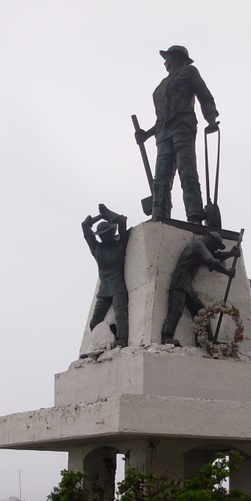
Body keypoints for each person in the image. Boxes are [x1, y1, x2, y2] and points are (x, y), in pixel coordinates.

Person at [135, 45, 219, 224]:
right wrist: (146, 134)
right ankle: (159, 216)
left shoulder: (189, 72)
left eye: (167, 57)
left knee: (186, 171)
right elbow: (160, 119)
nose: (165, 61)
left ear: (175, 58)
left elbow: (204, 96)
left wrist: (211, 119)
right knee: (161, 179)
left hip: (183, 127)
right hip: (163, 133)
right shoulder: (159, 88)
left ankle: (194, 215)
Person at [162, 232, 239, 345]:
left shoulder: (201, 248)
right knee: (177, 309)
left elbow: (215, 256)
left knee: (201, 312)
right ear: (210, 240)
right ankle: (167, 337)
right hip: (180, 281)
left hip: (187, 284)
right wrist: (227, 272)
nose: (215, 248)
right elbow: (211, 261)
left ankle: (205, 340)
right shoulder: (198, 245)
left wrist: (231, 254)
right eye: (216, 245)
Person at [82, 204, 129, 348]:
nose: (103, 237)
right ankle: (97, 344)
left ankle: (121, 340)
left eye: (105, 234)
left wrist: (107, 213)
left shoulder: (120, 243)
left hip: (117, 286)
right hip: (104, 289)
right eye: (101, 235)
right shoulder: (97, 249)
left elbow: (121, 220)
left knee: (121, 315)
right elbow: (85, 226)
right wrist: (101, 217)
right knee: (95, 321)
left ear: (110, 233)